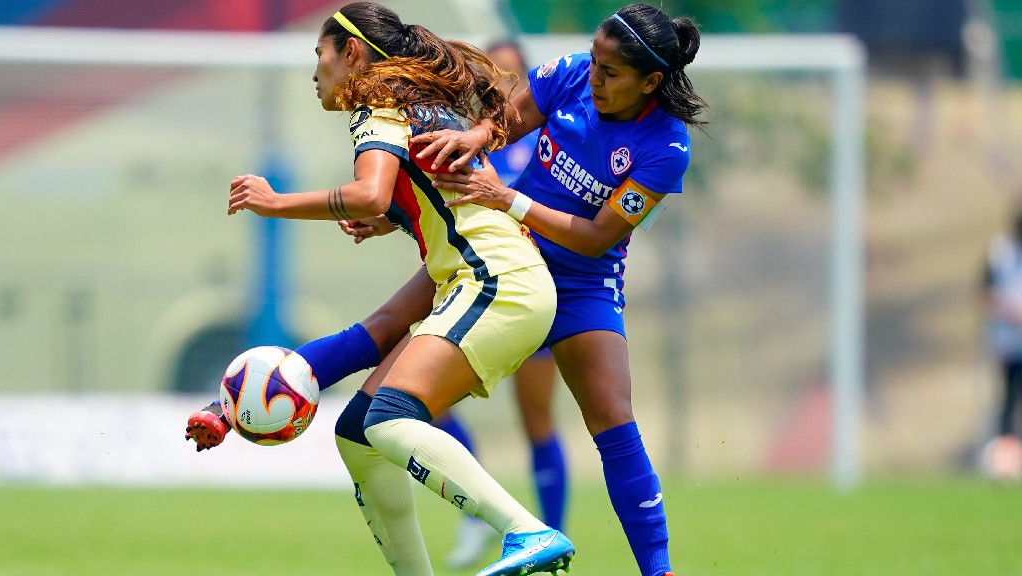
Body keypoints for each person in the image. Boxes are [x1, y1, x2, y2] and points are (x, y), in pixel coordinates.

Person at [186, 4, 574, 575]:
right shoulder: (418, 117)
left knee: (389, 417)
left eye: (319, 55)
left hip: (498, 283)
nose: (315, 70)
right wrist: (228, 406)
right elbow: (372, 334)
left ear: (352, 53)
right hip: (501, 282)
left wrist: (275, 204)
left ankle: (526, 532)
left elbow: (369, 194)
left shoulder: (379, 97)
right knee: (359, 434)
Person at [412, 5, 705, 575]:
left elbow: (597, 238)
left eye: (610, 72)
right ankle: (513, 530)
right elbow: (495, 130)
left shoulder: (667, 148)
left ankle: (657, 569)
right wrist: (399, 200)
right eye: (595, 62)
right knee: (399, 389)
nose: (593, 77)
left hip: (582, 282)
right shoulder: (572, 72)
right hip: (509, 259)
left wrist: (509, 200)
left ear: (651, 82)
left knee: (612, 419)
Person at [432, 40, 569, 572]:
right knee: (422, 405)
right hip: (474, 286)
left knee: (537, 420)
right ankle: (475, 516)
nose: (499, 82)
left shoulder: (546, 138)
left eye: (510, 74)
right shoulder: (472, 138)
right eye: (489, 72)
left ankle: (552, 534)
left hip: (529, 291)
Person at [979, 207, 1022, 482]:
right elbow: (985, 292)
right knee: (1008, 404)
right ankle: (1004, 465)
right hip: (1010, 343)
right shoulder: (1002, 253)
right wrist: (1011, 311)